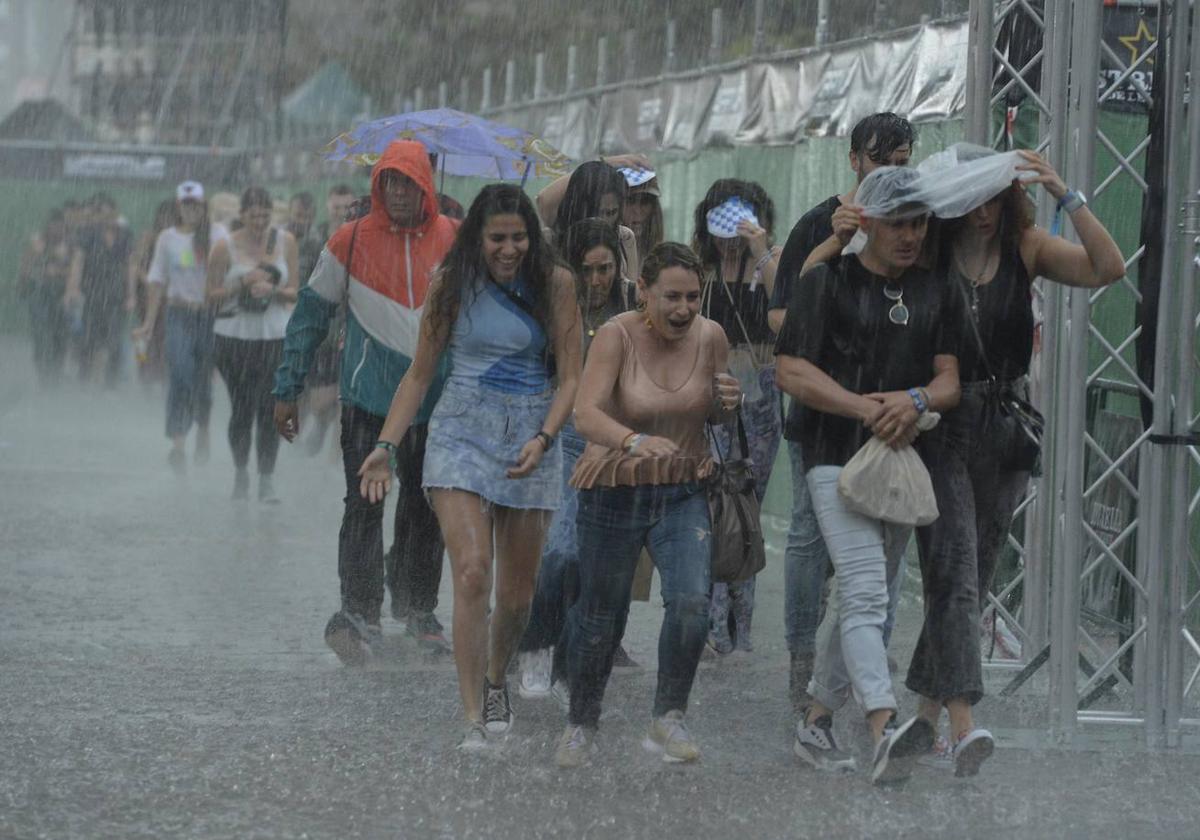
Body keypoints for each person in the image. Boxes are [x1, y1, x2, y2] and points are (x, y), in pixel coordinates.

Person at [909, 148, 1124, 773]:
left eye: (994, 196)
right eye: (971, 198)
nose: (983, 212)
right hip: (943, 423)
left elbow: (1108, 268)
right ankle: (964, 723)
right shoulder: (927, 251)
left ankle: (924, 716)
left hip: (1005, 427)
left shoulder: (1028, 246)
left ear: (1010, 196)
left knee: (971, 576)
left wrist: (1065, 191)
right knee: (952, 567)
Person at [357, 183, 581, 751]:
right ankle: (472, 718)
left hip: (533, 434)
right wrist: (386, 442)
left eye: (519, 237)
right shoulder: (451, 285)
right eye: (497, 238)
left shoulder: (555, 284)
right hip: (460, 431)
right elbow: (420, 374)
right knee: (473, 572)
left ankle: (495, 674)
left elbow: (572, 378)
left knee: (516, 597)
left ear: (533, 237)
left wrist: (545, 436)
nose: (509, 249)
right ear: (476, 239)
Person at [774, 167, 960, 784]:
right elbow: (790, 372)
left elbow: (949, 380)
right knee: (863, 588)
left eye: (920, 222)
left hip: (902, 461)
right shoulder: (825, 281)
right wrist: (863, 408)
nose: (910, 234)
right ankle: (884, 726)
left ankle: (817, 719)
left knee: (865, 593)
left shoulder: (937, 289)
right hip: (833, 454)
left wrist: (916, 402)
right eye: (899, 222)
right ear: (869, 222)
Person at [554, 242, 743, 768]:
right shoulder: (615, 336)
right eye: (671, 297)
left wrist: (731, 403)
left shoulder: (712, 337)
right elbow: (585, 416)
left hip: (682, 489)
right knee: (600, 616)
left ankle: (669, 718)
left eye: (693, 296)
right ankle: (580, 723)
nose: (684, 309)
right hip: (615, 489)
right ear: (643, 291)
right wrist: (634, 441)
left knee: (690, 603)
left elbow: (718, 417)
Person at [273, 141, 458, 661]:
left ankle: (419, 609)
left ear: (426, 184)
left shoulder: (454, 240)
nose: (400, 192)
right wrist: (287, 388)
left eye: (409, 182)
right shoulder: (348, 241)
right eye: (390, 181)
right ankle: (360, 611)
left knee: (427, 508)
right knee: (363, 506)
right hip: (366, 399)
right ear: (378, 185)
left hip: (435, 402)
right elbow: (309, 317)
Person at [767, 111, 916, 714]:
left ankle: (867, 660)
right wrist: (838, 243)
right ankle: (803, 656)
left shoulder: (916, 226)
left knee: (888, 541)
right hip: (822, 416)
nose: (891, 173)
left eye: (903, 163)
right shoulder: (817, 225)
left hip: (889, 420)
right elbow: (781, 320)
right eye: (881, 161)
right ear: (854, 159)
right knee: (808, 538)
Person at [516, 218, 631, 700]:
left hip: (615, 446)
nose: (597, 280)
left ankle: (568, 662)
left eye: (606, 269)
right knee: (559, 552)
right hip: (562, 439)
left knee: (592, 563)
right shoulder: (555, 308)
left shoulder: (629, 313)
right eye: (588, 269)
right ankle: (534, 643)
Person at [691, 178, 783, 659]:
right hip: (709, 393)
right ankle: (711, 622)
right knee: (713, 503)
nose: (730, 231)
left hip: (761, 398)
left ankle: (738, 625)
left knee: (747, 507)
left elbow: (789, 307)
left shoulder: (768, 262)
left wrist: (759, 247)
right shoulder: (698, 269)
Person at [206, 187, 299, 502]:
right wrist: (242, 283)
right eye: (253, 215)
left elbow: (296, 291)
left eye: (265, 214)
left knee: (270, 408)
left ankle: (266, 478)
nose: (260, 221)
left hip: (274, 335)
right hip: (234, 337)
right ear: (242, 215)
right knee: (242, 408)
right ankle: (241, 472)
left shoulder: (285, 242)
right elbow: (211, 294)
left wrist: (272, 290)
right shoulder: (224, 247)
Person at [133, 181, 226, 473]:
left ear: (203, 206)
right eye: (185, 205)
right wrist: (148, 323)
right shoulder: (167, 239)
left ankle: (203, 428)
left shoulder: (218, 235)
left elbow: (231, 271)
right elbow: (156, 281)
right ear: (179, 207)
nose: (191, 210)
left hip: (210, 316)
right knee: (180, 373)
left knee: (202, 380)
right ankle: (178, 442)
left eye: (196, 204)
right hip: (178, 315)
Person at [297, 184, 356, 458]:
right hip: (323, 326)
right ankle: (318, 424)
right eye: (337, 207)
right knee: (320, 396)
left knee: (346, 393)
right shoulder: (315, 238)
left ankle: (336, 457)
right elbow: (303, 282)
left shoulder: (362, 238)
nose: (342, 212)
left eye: (347, 207)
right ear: (328, 207)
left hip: (354, 325)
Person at [538, 159, 640, 281]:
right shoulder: (553, 239)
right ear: (579, 209)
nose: (604, 221)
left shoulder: (625, 238)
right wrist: (607, 162)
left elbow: (632, 293)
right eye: (596, 213)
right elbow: (544, 199)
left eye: (611, 212)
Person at [75, 193, 133, 387]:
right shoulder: (88, 234)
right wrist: (73, 288)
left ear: (115, 213)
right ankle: (85, 377)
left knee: (114, 338)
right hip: (92, 293)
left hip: (116, 295)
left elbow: (130, 265)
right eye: (101, 213)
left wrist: (131, 295)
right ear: (97, 214)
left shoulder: (125, 235)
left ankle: (111, 382)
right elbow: (78, 261)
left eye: (109, 213)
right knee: (89, 338)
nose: (105, 217)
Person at [18, 209, 82, 386]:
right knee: (42, 335)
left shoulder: (72, 246)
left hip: (62, 295)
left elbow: (75, 272)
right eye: (53, 226)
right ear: (47, 226)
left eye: (60, 226)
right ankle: (44, 374)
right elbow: (26, 268)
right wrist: (26, 282)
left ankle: (55, 373)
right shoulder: (37, 243)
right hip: (39, 293)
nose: (56, 230)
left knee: (60, 336)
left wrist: (68, 290)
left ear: (65, 227)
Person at [127, 199, 180, 384]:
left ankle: (163, 375)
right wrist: (146, 282)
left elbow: (187, 266)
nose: (166, 221)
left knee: (165, 339)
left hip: (171, 296)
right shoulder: (148, 237)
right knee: (144, 336)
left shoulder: (182, 238)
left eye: (170, 217)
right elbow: (135, 264)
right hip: (147, 296)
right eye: (163, 216)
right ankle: (144, 373)